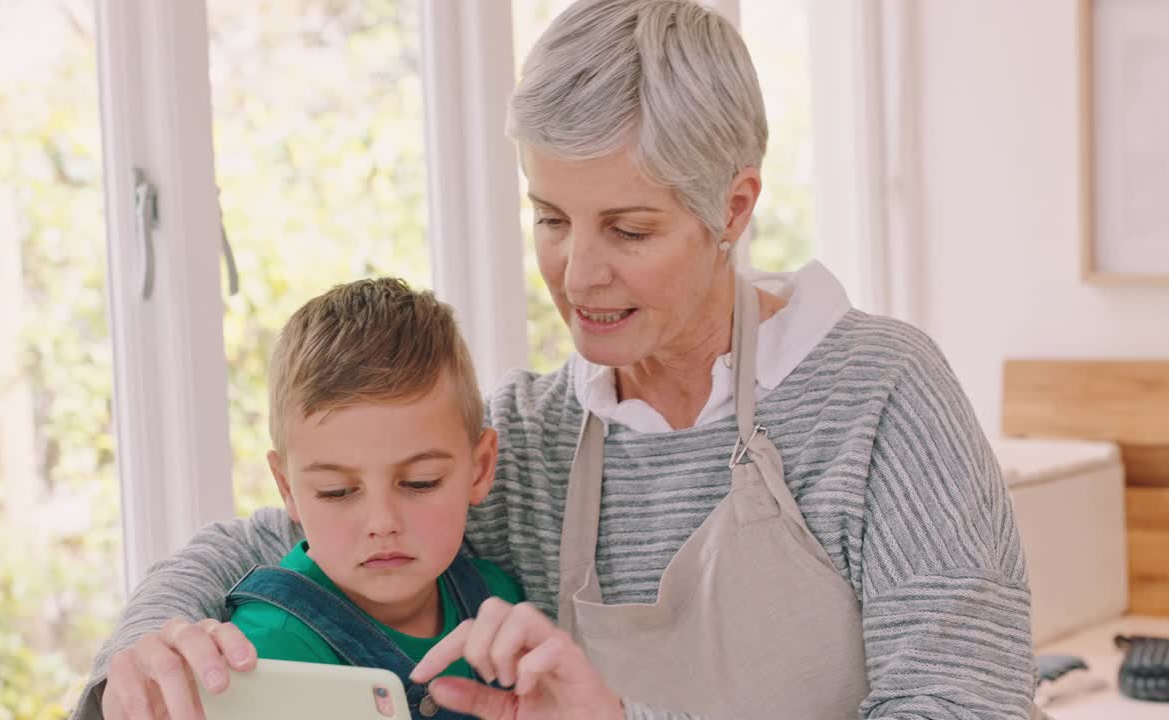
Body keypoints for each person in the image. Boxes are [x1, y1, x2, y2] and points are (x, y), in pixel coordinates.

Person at [74, 1, 1039, 718]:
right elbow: (273, 538)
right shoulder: (530, 440)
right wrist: (136, 657)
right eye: (550, 218)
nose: (578, 274)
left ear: (733, 209)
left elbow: (963, 707)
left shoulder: (879, 399)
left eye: (627, 227)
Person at [222, 278, 523, 702]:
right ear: (287, 488)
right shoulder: (267, 653)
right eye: (337, 491)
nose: (382, 523)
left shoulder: (499, 605)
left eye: (421, 482)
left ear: (480, 469)